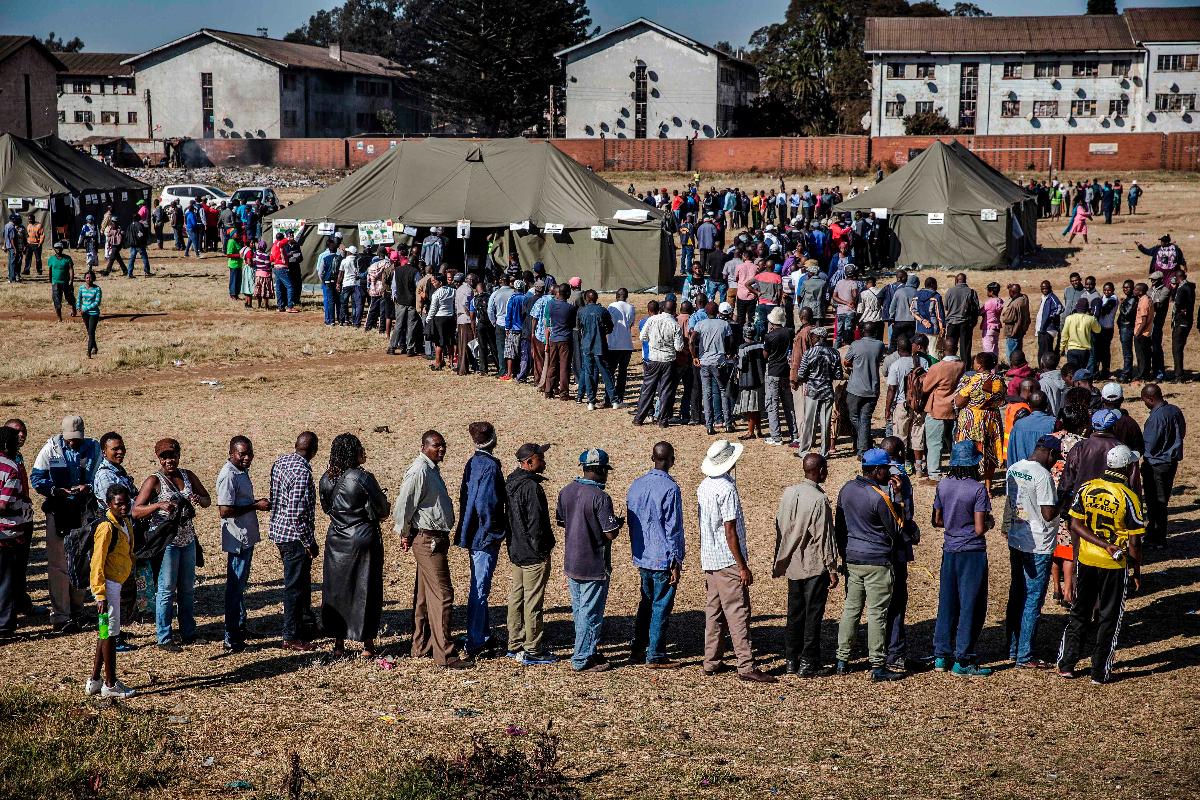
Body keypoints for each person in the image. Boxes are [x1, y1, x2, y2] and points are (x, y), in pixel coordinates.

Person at [1058, 445, 1145, 684]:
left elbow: (1075, 525)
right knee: (1109, 618)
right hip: (1114, 567)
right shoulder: (1129, 497)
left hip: (1086, 561)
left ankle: (1067, 664)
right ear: (1128, 467)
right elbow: (1135, 540)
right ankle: (1099, 671)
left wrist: (1097, 543)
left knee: (1079, 612)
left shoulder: (1087, 488)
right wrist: (1135, 569)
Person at [697, 439, 776, 683]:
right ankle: (746, 665)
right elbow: (729, 530)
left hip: (710, 558)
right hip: (727, 560)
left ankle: (711, 660)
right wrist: (742, 566)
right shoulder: (727, 489)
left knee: (715, 612)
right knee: (738, 612)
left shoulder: (704, 486)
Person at [394, 430, 470, 669]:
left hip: (433, 538)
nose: (441, 449)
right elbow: (404, 504)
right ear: (424, 446)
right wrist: (404, 533)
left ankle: (422, 645)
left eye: (443, 445)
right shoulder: (419, 471)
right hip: (428, 541)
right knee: (443, 595)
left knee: (425, 596)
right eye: (436, 446)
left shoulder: (431, 469)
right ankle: (445, 654)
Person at [132, 438, 211, 648]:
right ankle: (164, 637)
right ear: (158, 458)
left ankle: (189, 633)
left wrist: (197, 499)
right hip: (167, 543)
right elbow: (136, 510)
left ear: (179, 455)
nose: (169, 460)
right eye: (164, 457)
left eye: (172, 456)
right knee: (166, 590)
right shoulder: (154, 481)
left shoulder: (188, 475)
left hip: (187, 540)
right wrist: (158, 505)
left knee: (186, 589)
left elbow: (207, 500)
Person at [834, 449, 904, 682]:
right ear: (876, 471)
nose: (888, 473)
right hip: (877, 561)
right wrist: (899, 499)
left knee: (851, 609)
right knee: (877, 614)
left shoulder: (846, 489)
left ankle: (842, 659)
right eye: (886, 469)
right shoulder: (879, 497)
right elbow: (895, 529)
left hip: (853, 558)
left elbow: (840, 527)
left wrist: (845, 554)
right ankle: (877, 664)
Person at [318, 433, 389, 659]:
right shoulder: (362, 478)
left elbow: (327, 508)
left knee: (337, 591)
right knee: (366, 588)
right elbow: (382, 509)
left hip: (337, 540)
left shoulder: (326, 479)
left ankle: (339, 643)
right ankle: (367, 644)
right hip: (362, 537)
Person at [31, 415, 101, 632]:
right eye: (70, 438)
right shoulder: (50, 448)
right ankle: (61, 615)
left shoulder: (93, 448)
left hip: (83, 512)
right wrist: (54, 491)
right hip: (59, 512)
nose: (74, 442)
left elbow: (99, 475)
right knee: (59, 565)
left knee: (81, 560)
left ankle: (78, 609)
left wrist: (87, 486)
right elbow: (37, 478)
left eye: (77, 438)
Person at [557, 448, 624, 673]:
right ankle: (582, 657)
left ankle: (587, 648)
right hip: (594, 562)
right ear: (601, 470)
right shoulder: (601, 497)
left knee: (579, 610)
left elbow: (562, 521)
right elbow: (610, 533)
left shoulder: (566, 491)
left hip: (572, 560)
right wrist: (619, 523)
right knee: (591, 613)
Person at [931, 440, 993, 676]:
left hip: (950, 549)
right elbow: (979, 528)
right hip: (972, 552)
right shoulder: (977, 489)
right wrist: (989, 522)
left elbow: (937, 520)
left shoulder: (943, 485)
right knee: (970, 604)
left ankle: (941, 656)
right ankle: (963, 659)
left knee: (947, 602)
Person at [773, 453, 838, 677]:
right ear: (819, 471)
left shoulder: (789, 493)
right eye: (825, 469)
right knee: (813, 615)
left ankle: (791, 659)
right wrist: (832, 568)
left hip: (793, 564)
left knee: (795, 613)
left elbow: (780, 526)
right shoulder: (819, 500)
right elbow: (825, 537)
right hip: (813, 564)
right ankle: (809, 661)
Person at [1003, 435, 1061, 669]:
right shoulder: (1043, 476)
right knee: (1033, 599)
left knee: (1016, 594)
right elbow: (1048, 513)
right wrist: (1064, 503)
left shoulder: (1015, 468)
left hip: (1017, 539)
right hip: (1038, 544)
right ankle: (1025, 656)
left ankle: (1013, 647)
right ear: (1050, 453)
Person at [627, 442, 685, 668]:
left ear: (653, 458)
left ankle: (637, 649)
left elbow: (633, 521)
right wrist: (676, 560)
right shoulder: (671, 489)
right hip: (662, 557)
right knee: (661, 606)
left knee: (646, 602)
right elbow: (673, 529)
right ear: (672, 459)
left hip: (644, 555)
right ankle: (656, 654)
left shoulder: (637, 485)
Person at [503, 443, 557, 665]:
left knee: (517, 596)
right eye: (541, 458)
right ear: (529, 462)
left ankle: (514, 642)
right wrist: (543, 550)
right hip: (533, 553)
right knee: (532, 600)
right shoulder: (532, 488)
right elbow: (536, 524)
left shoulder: (511, 482)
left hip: (516, 549)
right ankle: (533, 648)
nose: (544, 462)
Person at [456, 422, 507, 657]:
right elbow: (486, 504)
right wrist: (495, 529)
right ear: (493, 438)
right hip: (484, 536)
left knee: (479, 585)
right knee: (480, 588)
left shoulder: (473, 463)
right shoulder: (489, 466)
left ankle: (481, 633)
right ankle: (476, 639)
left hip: (474, 532)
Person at [216, 436, 269, 654]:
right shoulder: (229, 474)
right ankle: (231, 637)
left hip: (245, 536)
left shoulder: (240, 471)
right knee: (235, 588)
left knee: (240, 586)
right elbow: (224, 509)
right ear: (231, 453)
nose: (247, 458)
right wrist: (255, 505)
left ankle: (239, 627)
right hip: (237, 538)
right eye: (242, 454)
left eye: (249, 453)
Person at [269, 432, 320, 651]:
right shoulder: (302, 472)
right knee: (294, 586)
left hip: (280, 531)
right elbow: (297, 513)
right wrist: (309, 542)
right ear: (314, 450)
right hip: (294, 537)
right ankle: (290, 635)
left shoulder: (280, 462)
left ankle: (303, 625)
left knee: (300, 583)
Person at [84, 484, 136, 699]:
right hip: (108, 587)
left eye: (126, 503)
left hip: (116, 583)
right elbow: (97, 562)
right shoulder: (106, 528)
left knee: (104, 632)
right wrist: (100, 594)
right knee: (111, 634)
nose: (124, 507)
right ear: (108, 505)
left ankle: (95, 680)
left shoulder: (124, 522)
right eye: (118, 504)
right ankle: (110, 683)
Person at [1140, 383, 1184, 549]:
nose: (1144, 404)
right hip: (1170, 463)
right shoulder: (1174, 410)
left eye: (1145, 400)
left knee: (1155, 503)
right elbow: (1182, 432)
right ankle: (1155, 533)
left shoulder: (1156, 418)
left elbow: (1149, 444)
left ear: (1150, 398)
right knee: (1162, 500)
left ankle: (1157, 538)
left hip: (1156, 465)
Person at [952, 352, 1005, 488]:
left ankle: (972, 483)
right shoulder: (999, 380)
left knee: (971, 450)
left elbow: (958, 401)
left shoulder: (972, 380)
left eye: (975, 362)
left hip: (973, 420)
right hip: (992, 419)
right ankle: (988, 488)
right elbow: (1002, 400)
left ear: (980, 366)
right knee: (989, 450)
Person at [0, 426, 33, 639]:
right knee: (6, 580)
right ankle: (4, 626)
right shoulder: (10, 467)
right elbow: (4, 504)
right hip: (7, 532)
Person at [635, 300, 684, 427]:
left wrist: (653, 342)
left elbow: (642, 337)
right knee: (666, 390)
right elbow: (678, 347)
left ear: (662, 309)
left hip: (653, 358)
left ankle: (639, 418)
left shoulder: (652, 320)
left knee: (648, 388)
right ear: (674, 310)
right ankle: (663, 420)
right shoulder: (675, 324)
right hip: (668, 361)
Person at [843, 322, 886, 456]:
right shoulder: (880, 345)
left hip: (855, 388)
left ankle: (865, 444)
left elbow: (846, 361)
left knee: (854, 417)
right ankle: (863, 449)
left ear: (862, 331)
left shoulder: (855, 345)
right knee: (865, 419)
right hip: (872, 388)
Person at [921, 353, 964, 483]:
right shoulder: (961, 365)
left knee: (934, 443)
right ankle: (956, 469)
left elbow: (925, 387)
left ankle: (934, 474)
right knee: (952, 441)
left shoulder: (938, 367)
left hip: (937, 409)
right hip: (953, 408)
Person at [692, 302, 734, 435]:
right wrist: (729, 352)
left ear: (705, 312)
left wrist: (694, 356)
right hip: (719, 362)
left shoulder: (700, 324)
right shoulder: (724, 324)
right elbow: (731, 340)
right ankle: (728, 423)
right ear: (717, 312)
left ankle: (709, 426)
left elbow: (692, 340)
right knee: (723, 391)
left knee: (707, 393)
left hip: (704, 362)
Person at [763, 306, 796, 445]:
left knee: (773, 404)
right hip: (785, 371)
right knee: (788, 404)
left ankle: (776, 436)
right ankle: (794, 433)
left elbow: (765, 355)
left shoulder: (769, 336)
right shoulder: (789, 332)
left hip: (773, 372)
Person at [733, 324, 766, 439]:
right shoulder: (761, 345)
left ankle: (750, 432)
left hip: (748, 380)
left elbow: (741, 366)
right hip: (760, 379)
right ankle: (759, 430)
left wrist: (735, 361)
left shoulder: (743, 347)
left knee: (751, 408)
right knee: (757, 408)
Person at [605, 289, 636, 405]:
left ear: (616, 296)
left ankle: (609, 398)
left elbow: (608, 322)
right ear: (626, 296)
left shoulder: (611, 306)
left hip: (613, 344)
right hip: (627, 345)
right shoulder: (631, 307)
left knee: (610, 372)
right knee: (622, 373)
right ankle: (620, 398)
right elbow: (631, 324)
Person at [943, 274, 979, 365]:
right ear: (965, 280)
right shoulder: (971, 292)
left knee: (950, 346)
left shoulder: (950, 291)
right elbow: (976, 308)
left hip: (952, 323)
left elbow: (946, 307)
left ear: (956, 280)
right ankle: (965, 368)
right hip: (966, 323)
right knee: (965, 347)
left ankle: (950, 366)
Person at [1060, 299, 1101, 372]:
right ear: (1087, 308)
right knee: (1081, 371)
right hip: (1085, 351)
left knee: (1072, 371)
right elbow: (1098, 330)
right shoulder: (1091, 319)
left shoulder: (1069, 318)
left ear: (1076, 307)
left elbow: (1064, 335)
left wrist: (1062, 349)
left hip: (1072, 349)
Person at [1170, 267, 1193, 382]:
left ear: (1178, 278)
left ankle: (1178, 375)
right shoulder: (1190, 287)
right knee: (1179, 348)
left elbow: (1177, 303)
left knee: (1177, 349)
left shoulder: (1182, 289)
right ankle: (1179, 373)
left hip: (1181, 322)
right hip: (1187, 322)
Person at [1000, 284, 1030, 366]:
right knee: (1018, 352)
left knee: (1011, 353)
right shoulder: (1024, 299)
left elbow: (1006, 318)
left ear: (1012, 292)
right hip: (1020, 330)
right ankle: (1019, 368)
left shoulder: (1014, 304)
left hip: (1012, 332)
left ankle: (1012, 369)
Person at [48, 241, 77, 323]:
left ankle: (74, 308)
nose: (58, 250)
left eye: (60, 248)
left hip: (66, 282)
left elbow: (71, 269)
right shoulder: (51, 259)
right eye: (56, 248)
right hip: (55, 282)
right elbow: (50, 270)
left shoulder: (67, 258)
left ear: (62, 249)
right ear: (54, 249)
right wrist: (50, 280)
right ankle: (59, 318)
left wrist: (71, 280)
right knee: (57, 300)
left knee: (69, 297)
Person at [78, 269, 102, 358]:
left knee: (91, 332)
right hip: (84, 313)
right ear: (85, 278)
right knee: (90, 332)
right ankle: (95, 347)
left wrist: (85, 308)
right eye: (87, 277)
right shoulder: (81, 288)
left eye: (90, 278)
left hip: (94, 313)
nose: (88, 279)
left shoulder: (97, 289)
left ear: (93, 279)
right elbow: (79, 299)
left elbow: (97, 302)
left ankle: (89, 351)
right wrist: (78, 308)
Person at [980, 282, 1003, 358]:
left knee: (988, 351)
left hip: (988, 329)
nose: (987, 292)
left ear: (991, 291)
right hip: (996, 328)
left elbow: (980, 312)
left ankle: (990, 369)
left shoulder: (989, 302)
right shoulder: (1000, 301)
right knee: (995, 349)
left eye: (988, 290)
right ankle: (995, 368)